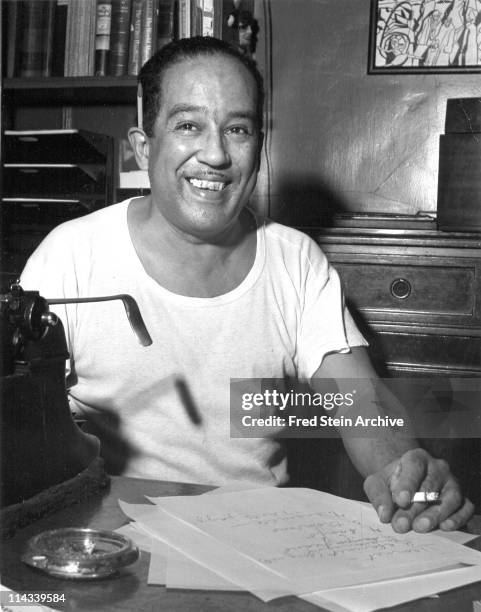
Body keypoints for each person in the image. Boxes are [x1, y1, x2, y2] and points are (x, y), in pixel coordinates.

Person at [21, 37, 473, 534]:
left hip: (256, 547)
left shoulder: (295, 260)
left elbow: (361, 404)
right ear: (142, 146)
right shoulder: (69, 256)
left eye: (237, 128)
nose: (215, 154)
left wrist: (403, 468)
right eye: (188, 125)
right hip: (105, 540)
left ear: (258, 146)